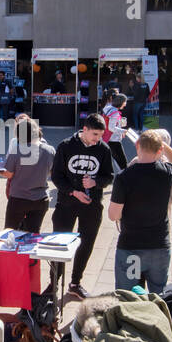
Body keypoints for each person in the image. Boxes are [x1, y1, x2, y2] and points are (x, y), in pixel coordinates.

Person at [108, 129, 172, 294]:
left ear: (137, 146)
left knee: (128, 296)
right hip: (159, 246)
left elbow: (113, 215)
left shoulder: (123, 178)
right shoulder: (167, 172)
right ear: (160, 151)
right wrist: (165, 146)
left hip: (131, 247)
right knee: (158, 295)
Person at [50, 114, 115, 300]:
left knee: (86, 243)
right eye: (95, 134)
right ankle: (54, 282)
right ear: (84, 130)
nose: (98, 139)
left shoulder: (103, 149)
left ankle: (75, 283)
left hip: (92, 205)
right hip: (67, 203)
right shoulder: (66, 146)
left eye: (101, 135)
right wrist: (73, 191)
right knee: (59, 243)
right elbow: (56, 176)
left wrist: (95, 182)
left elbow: (109, 176)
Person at [2, 118, 56, 232]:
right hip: (41, 199)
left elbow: (8, 174)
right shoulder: (50, 150)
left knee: (10, 233)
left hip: (18, 198)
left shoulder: (16, 150)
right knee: (33, 235)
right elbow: (52, 172)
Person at [101, 93, 130, 170]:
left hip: (107, 137)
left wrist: (120, 124)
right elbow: (111, 127)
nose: (125, 104)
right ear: (122, 102)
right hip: (113, 140)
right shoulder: (115, 113)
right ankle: (123, 179)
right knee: (122, 163)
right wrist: (123, 131)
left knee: (117, 160)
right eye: (125, 102)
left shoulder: (108, 107)